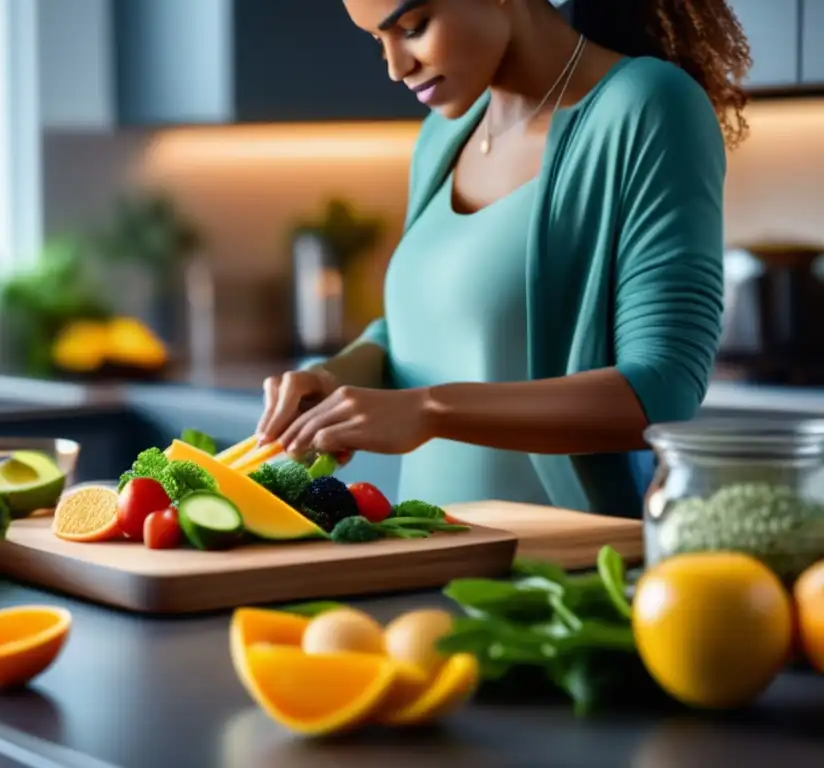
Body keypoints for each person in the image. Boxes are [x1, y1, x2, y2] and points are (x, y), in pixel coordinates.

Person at [256, 0, 752, 517]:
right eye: (376, 41)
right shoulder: (443, 134)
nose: (396, 66)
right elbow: (424, 333)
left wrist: (431, 411)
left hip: (563, 566)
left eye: (412, 28)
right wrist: (336, 378)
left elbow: (661, 390)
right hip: (423, 554)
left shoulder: (648, 106)